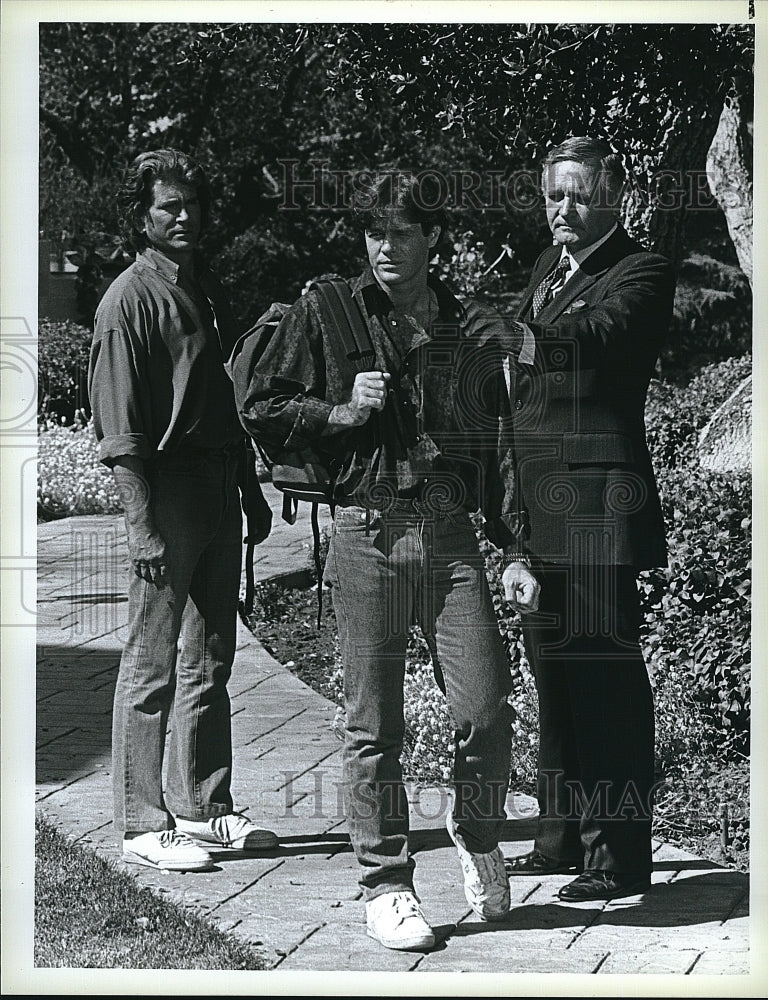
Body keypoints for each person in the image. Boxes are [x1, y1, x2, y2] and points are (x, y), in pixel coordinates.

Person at [232, 173, 540, 950]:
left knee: (487, 709)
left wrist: (512, 545)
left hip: (451, 540)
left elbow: (495, 444)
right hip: (366, 536)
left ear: (430, 239)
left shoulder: (465, 323)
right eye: (374, 234)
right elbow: (260, 403)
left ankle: (475, 833)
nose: (386, 248)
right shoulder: (328, 308)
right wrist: (340, 410)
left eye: (402, 233)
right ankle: (386, 882)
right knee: (374, 726)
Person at [88, 148, 277, 872]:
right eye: (169, 205)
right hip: (164, 493)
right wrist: (141, 525)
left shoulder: (203, 287)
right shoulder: (127, 302)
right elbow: (122, 431)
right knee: (151, 661)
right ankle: (141, 820)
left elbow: (222, 400)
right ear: (141, 215)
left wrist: (250, 491)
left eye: (192, 203)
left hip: (216, 486)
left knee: (210, 657)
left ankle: (202, 805)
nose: (185, 216)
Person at [502, 136, 676, 901]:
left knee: (603, 685)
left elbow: (598, 341)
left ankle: (616, 860)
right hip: (539, 514)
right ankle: (560, 839)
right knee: (555, 683)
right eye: (550, 197)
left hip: (598, 511)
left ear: (610, 196)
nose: (560, 210)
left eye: (573, 195)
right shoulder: (546, 270)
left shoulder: (639, 271)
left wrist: (523, 336)